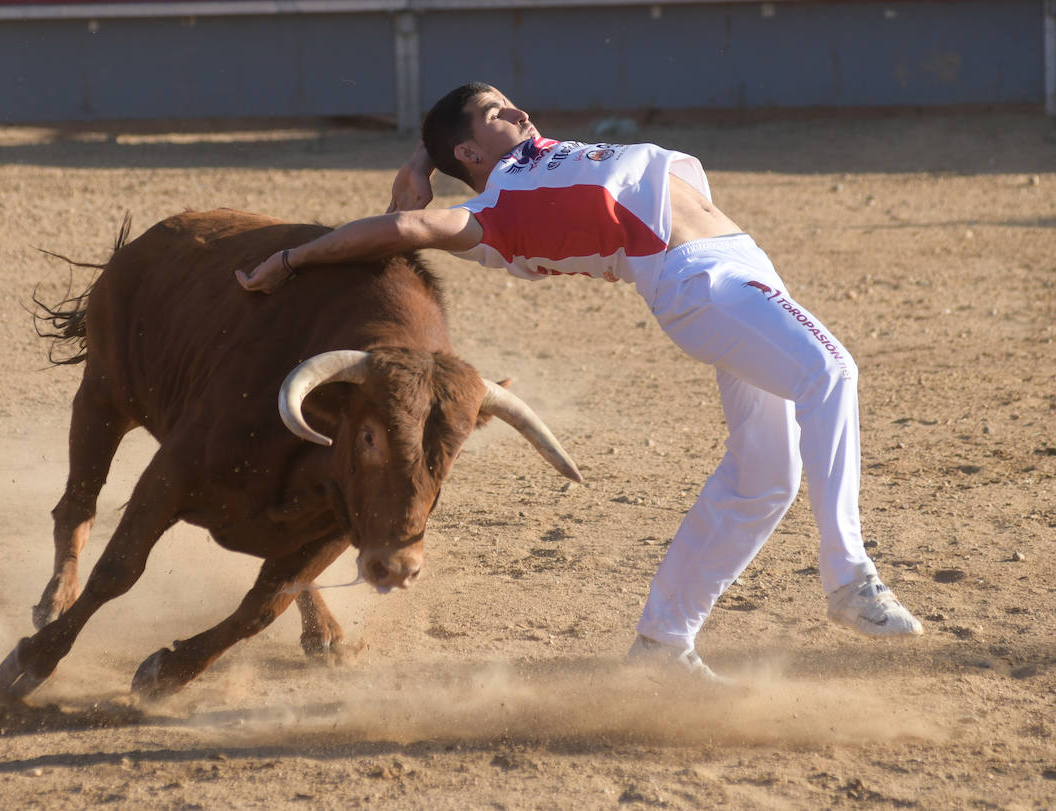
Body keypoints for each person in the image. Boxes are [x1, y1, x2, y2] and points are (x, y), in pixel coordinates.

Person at [239, 82, 922, 683]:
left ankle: (664, 642)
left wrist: (425, 156)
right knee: (830, 370)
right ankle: (848, 576)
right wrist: (291, 258)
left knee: (766, 475)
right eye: (494, 113)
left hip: (748, 276)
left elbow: (450, 141)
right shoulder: (494, 211)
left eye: (508, 101)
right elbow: (406, 224)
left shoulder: (547, 155)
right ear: (471, 156)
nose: (518, 109)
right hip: (702, 283)